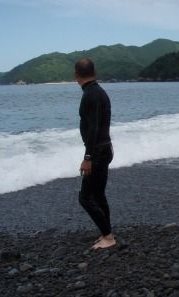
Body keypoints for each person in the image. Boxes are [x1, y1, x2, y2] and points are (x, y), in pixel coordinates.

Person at [75, 58, 116, 250]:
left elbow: (93, 129)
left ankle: (108, 236)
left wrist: (87, 158)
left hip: (98, 152)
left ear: (76, 76)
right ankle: (106, 233)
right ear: (95, 72)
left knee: (85, 197)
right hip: (104, 148)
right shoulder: (99, 92)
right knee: (98, 194)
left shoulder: (90, 95)